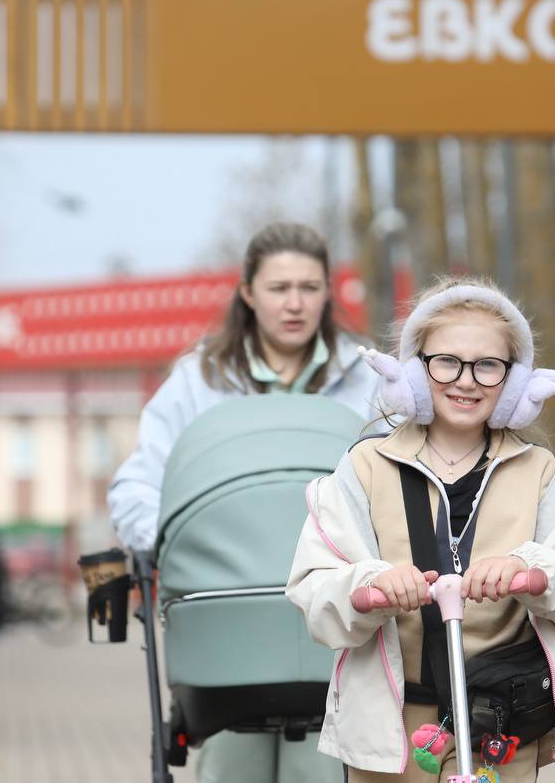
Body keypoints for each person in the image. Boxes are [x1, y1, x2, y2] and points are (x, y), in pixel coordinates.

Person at [286, 278, 555, 782]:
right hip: (393, 723)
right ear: (413, 371)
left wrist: (536, 572)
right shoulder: (364, 468)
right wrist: (368, 587)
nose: (466, 380)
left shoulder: (539, 473)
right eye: (445, 362)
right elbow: (314, 589)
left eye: (488, 366)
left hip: (501, 722)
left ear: (515, 382)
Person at [107, 222, 379, 783]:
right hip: (223, 603)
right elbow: (139, 482)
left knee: (323, 764)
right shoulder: (199, 380)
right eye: (280, 288)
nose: (295, 303)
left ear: (329, 292)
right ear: (248, 292)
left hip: (339, 608)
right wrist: (162, 540)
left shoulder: (368, 378)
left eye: (309, 287)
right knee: (233, 761)